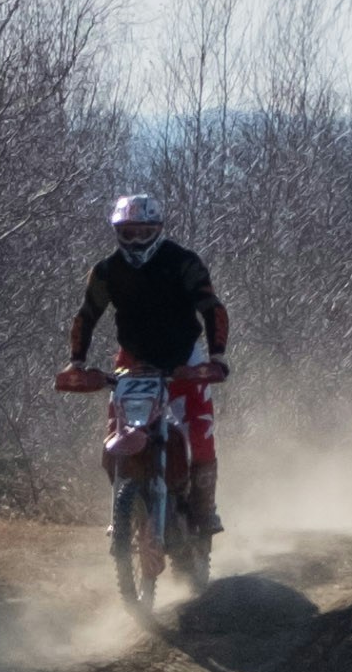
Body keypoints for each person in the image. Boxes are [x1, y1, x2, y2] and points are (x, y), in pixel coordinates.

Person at [64, 189, 234, 512]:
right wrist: (76, 363)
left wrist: (217, 357)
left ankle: (203, 508)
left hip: (184, 357)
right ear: (118, 233)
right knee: (115, 433)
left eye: (145, 232)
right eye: (129, 233)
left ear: (158, 230)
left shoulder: (183, 262)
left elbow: (211, 307)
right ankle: (125, 504)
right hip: (132, 361)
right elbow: (86, 315)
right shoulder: (106, 271)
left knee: (199, 428)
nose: (137, 241)